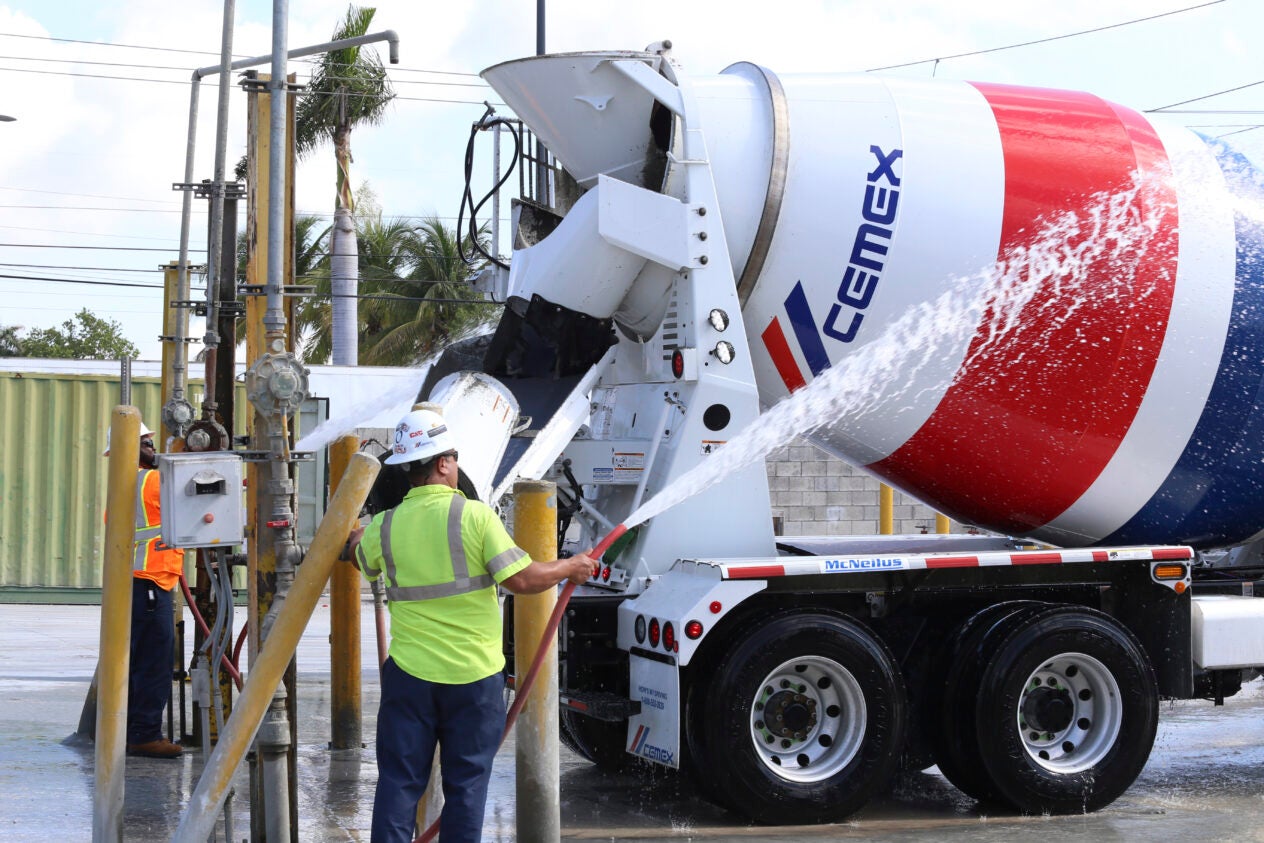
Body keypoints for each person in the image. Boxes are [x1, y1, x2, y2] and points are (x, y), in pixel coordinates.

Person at [345, 405, 596, 843]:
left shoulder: (384, 527)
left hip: (409, 678)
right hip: (472, 680)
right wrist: (570, 566)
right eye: (454, 457)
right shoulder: (475, 517)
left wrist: (348, 537)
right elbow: (522, 579)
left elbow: (356, 556)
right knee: (465, 791)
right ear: (443, 463)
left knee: (399, 785)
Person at [103, 422, 185, 759]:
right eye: (145, 442)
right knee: (154, 661)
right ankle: (144, 734)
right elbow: (192, 491)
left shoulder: (124, 481)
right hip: (150, 580)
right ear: (128, 448)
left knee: (136, 659)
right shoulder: (149, 480)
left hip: (139, 582)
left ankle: (127, 729)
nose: (152, 446)